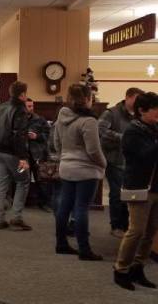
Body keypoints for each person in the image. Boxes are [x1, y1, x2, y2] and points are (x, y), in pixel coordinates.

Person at [53, 84, 107, 261]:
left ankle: (61, 244)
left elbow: (56, 143)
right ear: (87, 99)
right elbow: (93, 150)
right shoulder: (89, 121)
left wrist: (65, 157)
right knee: (81, 208)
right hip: (85, 170)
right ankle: (84, 249)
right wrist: (103, 164)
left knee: (64, 207)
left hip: (66, 167)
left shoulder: (62, 117)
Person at [113, 92, 158, 290]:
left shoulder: (153, 129)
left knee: (151, 231)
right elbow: (144, 156)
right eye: (156, 111)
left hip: (155, 186)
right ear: (142, 110)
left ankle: (137, 267)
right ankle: (121, 269)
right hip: (139, 187)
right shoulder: (132, 131)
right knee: (136, 231)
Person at [99, 87, 144, 238]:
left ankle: (126, 226)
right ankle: (116, 225)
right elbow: (101, 130)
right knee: (117, 194)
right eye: (137, 99)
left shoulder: (138, 115)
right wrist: (123, 137)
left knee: (129, 195)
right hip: (115, 160)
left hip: (132, 162)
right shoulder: (111, 113)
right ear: (128, 97)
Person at [0, 81, 32, 231]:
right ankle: (17, 217)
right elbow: (19, 134)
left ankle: (0, 219)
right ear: (22, 94)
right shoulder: (20, 109)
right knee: (23, 181)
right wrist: (23, 157)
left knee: (1, 184)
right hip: (13, 153)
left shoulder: (0, 107)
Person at [26, 98, 52, 212]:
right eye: (28, 106)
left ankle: (44, 203)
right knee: (23, 180)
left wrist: (36, 136)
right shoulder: (18, 119)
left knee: (41, 180)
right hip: (23, 154)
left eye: (31, 106)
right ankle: (25, 202)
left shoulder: (40, 120)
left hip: (37, 154)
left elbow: (48, 135)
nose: (30, 108)